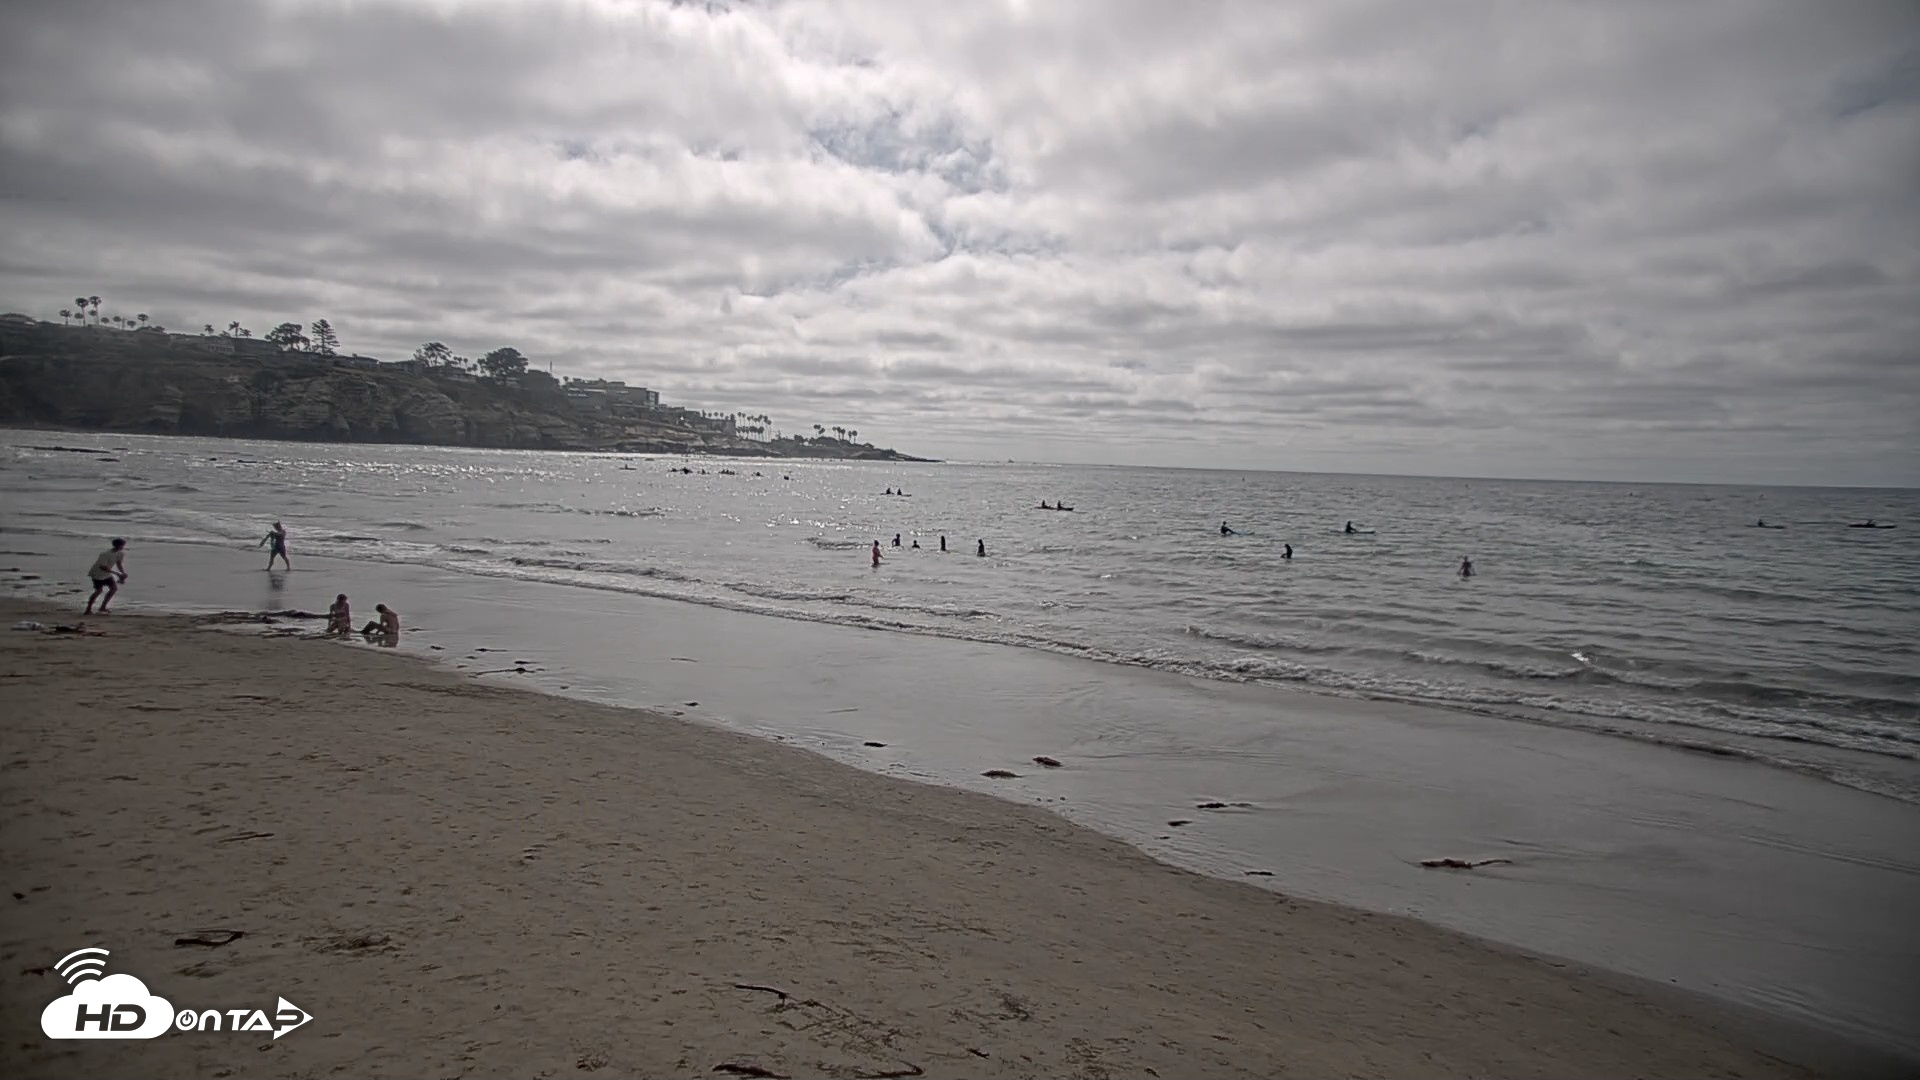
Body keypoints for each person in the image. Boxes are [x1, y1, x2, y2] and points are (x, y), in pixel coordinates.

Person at [84, 538, 128, 615]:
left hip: (107, 574)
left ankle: (103, 607)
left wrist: (123, 573)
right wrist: (117, 574)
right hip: (97, 573)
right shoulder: (105, 554)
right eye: (122, 545)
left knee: (113, 589)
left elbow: (119, 564)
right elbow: (103, 567)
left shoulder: (120, 553)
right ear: (117, 545)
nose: (123, 547)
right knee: (99, 591)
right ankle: (88, 609)